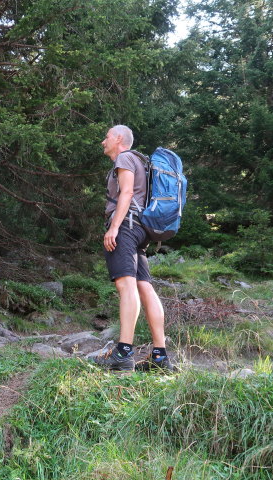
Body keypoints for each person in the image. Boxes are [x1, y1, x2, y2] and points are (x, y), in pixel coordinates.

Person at [91, 125, 176, 373]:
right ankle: (160, 356)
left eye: (106, 137)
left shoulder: (126, 157)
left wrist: (114, 227)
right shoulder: (144, 163)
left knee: (125, 284)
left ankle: (123, 353)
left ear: (118, 138)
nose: (103, 142)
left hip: (127, 226)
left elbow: (126, 192)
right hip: (141, 230)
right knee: (144, 286)